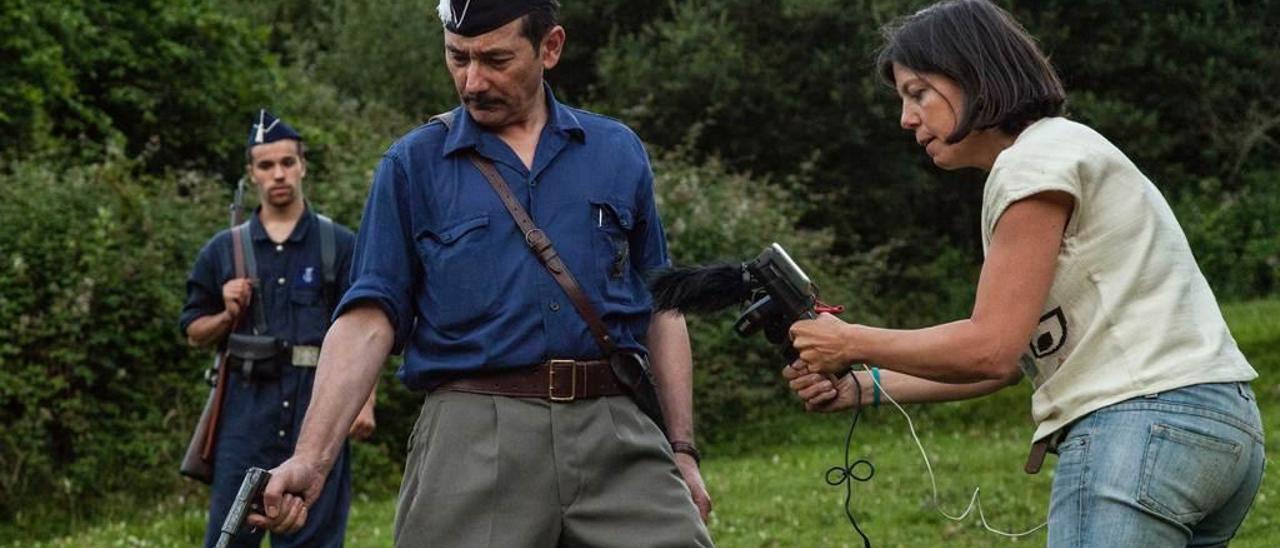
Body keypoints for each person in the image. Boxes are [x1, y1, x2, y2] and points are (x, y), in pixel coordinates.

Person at [782, 1, 1264, 545]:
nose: (906, 118)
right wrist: (863, 388)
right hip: (1222, 428)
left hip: (1139, 426)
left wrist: (848, 341)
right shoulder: (1065, 151)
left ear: (972, 73)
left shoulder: (1032, 164)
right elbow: (1005, 363)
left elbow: (986, 347)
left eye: (918, 92)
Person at [248, 1, 715, 546]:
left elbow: (662, 306)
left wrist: (681, 449)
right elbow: (367, 320)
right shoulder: (411, 166)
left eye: (495, 59)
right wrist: (311, 457)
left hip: (615, 428)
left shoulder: (617, 151)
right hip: (471, 436)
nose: (472, 81)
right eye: (457, 57)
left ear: (551, 47)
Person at [180, 110, 372, 547]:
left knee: (314, 539)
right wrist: (226, 314)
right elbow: (193, 329)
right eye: (266, 165)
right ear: (252, 174)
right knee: (230, 539)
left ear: (303, 166)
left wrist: (364, 400)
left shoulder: (338, 244)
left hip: (318, 411)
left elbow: (366, 325)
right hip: (246, 416)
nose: (278, 174)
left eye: (287, 162)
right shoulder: (223, 250)